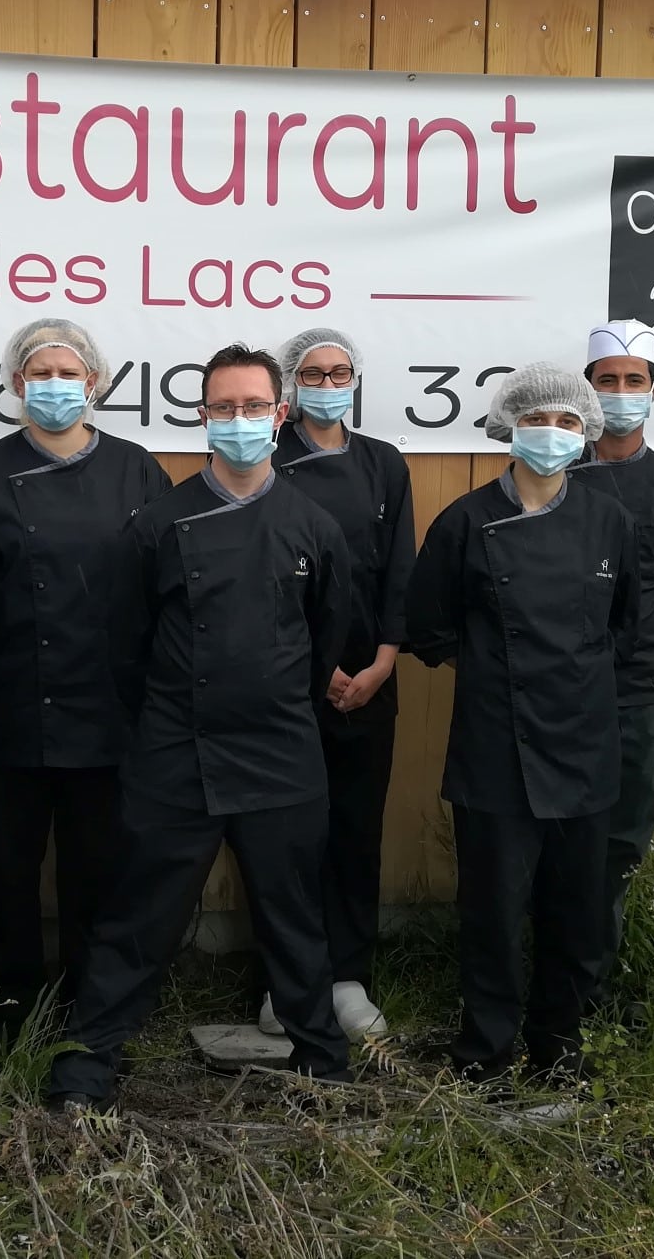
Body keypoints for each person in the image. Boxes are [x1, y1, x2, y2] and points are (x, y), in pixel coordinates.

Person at [47, 343, 353, 1114]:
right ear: (203, 416)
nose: (240, 420)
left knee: (294, 916)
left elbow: (327, 637)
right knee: (137, 916)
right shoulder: (158, 522)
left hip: (282, 751)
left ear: (279, 416)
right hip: (174, 752)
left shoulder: (314, 527)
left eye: (254, 407)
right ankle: (86, 1068)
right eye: (225, 407)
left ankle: (324, 1060)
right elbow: (124, 644)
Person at [405, 363, 638, 1089]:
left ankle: (559, 1046)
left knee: (575, 912)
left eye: (569, 423)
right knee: (493, 914)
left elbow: (626, 628)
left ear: (586, 434)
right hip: (494, 748)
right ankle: (485, 1052)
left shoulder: (611, 521)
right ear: (510, 426)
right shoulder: (465, 522)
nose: (552, 433)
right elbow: (429, 628)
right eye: (538, 420)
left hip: (586, 745)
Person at [0, 320, 171, 1027]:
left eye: (66, 374)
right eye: (38, 374)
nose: (53, 387)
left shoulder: (138, 470)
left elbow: (165, 585)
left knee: (99, 871)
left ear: (95, 383)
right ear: (15, 386)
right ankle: (4, 1009)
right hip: (8, 705)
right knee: (4, 870)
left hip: (110, 707)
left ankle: (95, 1010)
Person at [258, 328, 414, 1041]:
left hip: (369, 680)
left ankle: (347, 976)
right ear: (291, 385)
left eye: (340, 371)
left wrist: (382, 662)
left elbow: (399, 574)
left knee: (356, 829)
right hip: (291, 682)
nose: (327, 382)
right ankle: (282, 978)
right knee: (288, 836)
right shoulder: (265, 460)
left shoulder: (384, 464)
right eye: (314, 373)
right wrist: (314, 672)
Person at [568, 321, 654, 1023]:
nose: (620, 394)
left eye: (633, 382)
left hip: (637, 693)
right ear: (587, 388)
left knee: (618, 844)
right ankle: (546, 983)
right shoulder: (554, 473)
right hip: (559, 690)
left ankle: (590, 995)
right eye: (606, 380)